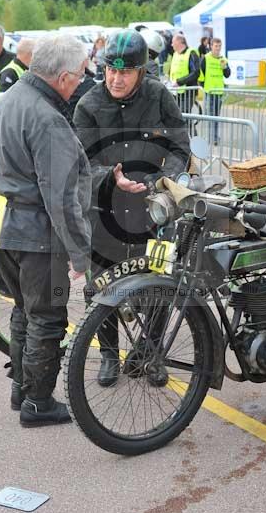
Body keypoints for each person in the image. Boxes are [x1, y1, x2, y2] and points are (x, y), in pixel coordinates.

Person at [0, 33, 92, 427]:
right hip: (36, 234)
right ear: (63, 77)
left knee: (23, 310)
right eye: (80, 74)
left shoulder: (9, 100)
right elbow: (60, 196)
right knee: (47, 317)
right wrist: (80, 253)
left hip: (5, 227)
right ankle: (38, 403)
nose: (82, 81)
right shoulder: (48, 119)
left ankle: (22, 390)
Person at [74, 28, 190, 388]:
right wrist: (111, 177)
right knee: (102, 287)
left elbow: (180, 146)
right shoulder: (88, 105)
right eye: (111, 69)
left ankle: (149, 352)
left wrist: (165, 180)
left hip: (152, 211)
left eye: (125, 72)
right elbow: (81, 164)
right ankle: (109, 354)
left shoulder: (158, 96)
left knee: (158, 285)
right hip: (105, 211)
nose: (116, 78)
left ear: (142, 71)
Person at [198, 38, 231, 144]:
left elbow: (227, 74)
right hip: (209, 92)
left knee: (216, 116)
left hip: (219, 92)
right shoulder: (206, 58)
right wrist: (204, 86)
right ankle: (212, 138)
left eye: (219, 46)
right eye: (216, 46)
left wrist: (224, 67)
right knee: (210, 115)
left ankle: (215, 137)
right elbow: (201, 73)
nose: (218, 48)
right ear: (211, 46)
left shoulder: (223, 59)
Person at [169, 33, 200, 113]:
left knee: (184, 115)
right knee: (176, 115)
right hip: (175, 91)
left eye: (173, 42)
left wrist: (179, 82)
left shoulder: (191, 53)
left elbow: (196, 73)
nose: (171, 45)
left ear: (179, 42)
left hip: (188, 91)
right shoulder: (175, 54)